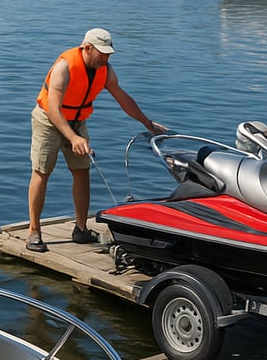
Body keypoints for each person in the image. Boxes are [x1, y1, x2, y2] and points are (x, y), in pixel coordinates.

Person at [27, 27, 165, 252]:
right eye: (102, 53)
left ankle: (81, 230)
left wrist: (148, 124)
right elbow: (53, 108)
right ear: (87, 48)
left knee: (82, 172)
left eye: (109, 53)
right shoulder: (64, 67)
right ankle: (34, 232)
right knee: (41, 172)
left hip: (77, 122)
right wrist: (73, 138)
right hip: (49, 122)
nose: (106, 57)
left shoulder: (106, 70)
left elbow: (124, 100)